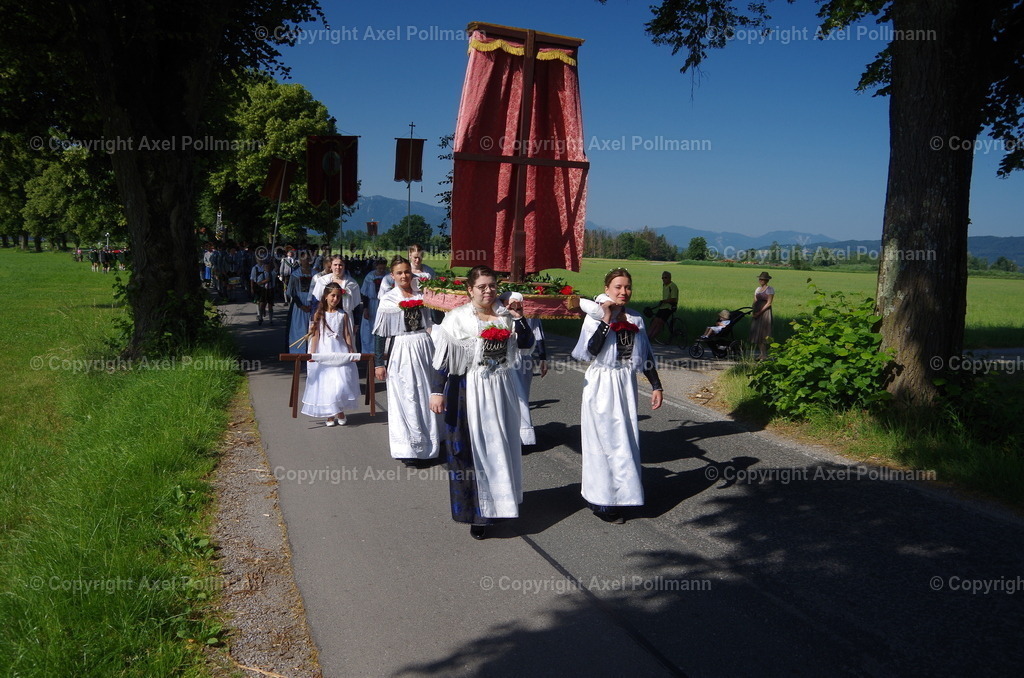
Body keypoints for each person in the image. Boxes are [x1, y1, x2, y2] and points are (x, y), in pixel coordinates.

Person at [428, 266, 533, 540]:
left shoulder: (505, 316)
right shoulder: (457, 319)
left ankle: (501, 505)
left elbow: (527, 344)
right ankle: (478, 514)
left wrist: (519, 318)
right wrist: (437, 391)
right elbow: (443, 359)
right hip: (470, 389)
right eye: (482, 286)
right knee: (473, 451)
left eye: (492, 286)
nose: (488, 291)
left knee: (501, 447)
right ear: (470, 290)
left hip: (501, 389)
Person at [573, 268, 664, 524]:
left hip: (625, 384)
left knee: (624, 442)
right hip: (601, 383)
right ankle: (602, 500)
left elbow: (645, 355)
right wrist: (606, 318)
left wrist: (656, 386)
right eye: (618, 287)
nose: (623, 292)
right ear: (607, 289)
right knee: (602, 443)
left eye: (627, 287)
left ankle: (622, 494)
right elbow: (590, 352)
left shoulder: (636, 319)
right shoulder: (596, 316)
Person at [372, 256, 440, 467]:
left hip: (424, 346)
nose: (404, 276)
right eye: (399, 272)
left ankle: (432, 444)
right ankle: (409, 447)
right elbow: (380, 334)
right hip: (401, 349)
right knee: (407, 395)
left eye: (407, 272)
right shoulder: (389, 299)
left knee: (427, 392)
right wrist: (378, 362)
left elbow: (436, 321)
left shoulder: (423, 294)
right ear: (392, 276)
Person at [301, 283, 360, 427]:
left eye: (338, 296)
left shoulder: (343, 314)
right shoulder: (319, 314)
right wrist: (312, 354)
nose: (335, 299)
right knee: (327, 384)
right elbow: (315, 336)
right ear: (326, 296)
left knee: (341, 382)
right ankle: (330, 413)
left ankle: (339, 410)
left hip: (340, 351)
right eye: (333, 296)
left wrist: (351, 349)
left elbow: (347, 334)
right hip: (325, 351)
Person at [514, 317, 547, 446]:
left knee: (522, 397)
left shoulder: (531, 313)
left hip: (524, 358)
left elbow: (538, 334)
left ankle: (523, 436)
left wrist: (543, 358)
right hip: (506, 357)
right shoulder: (500, 308)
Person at [286, 256, 316, 353]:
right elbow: (292, 292)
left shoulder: (316, 275)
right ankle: (298, 352)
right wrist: (301, 305)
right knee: (299, 329)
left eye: (307, 259)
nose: (306, 261)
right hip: (300, 305)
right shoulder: (295, 274)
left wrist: (313, 304)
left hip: (313, 303)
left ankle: (312, 351)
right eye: (303, 259)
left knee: (313, 329)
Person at [360, 258, 388, 352]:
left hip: (383, 303)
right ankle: (368, 352)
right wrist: (365, 308)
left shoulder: (387, 276)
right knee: (368, 329)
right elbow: (365, 293)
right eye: (379, 268)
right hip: (372, 304)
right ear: (376, 267)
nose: (381, 270)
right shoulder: (370, 276)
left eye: (383, 268)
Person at [646, 271, 679, 344]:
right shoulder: (664, 285)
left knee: (659, 323)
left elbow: (674, 299)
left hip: (670, 308)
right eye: (662, 278)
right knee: (655, 321)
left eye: (665, 278)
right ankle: (646, 338)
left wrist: (664, 301)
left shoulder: (673, 286)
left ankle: (649, 340)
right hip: (663, 307)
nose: (664, 279)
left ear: (670, 278)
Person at [750, 272, 775, 360]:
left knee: (763, 333)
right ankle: (761, 354)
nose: (761, 281)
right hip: (757, 311)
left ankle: (764, 355)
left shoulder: (770, 289)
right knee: (757, 333)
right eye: (760, 279)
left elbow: (769, 303)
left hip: (764, 312)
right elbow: (755, 300)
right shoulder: (757, 289)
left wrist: (759, 312)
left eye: (763, 279)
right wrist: (753, 310)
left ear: (767, 280)